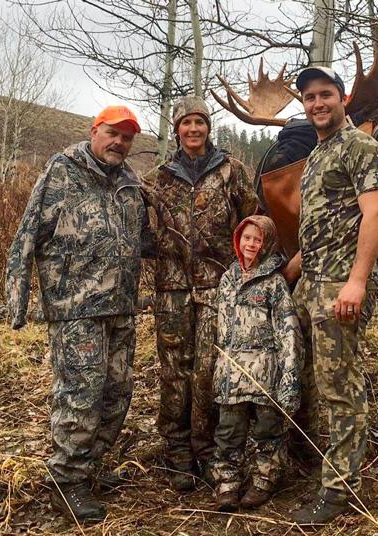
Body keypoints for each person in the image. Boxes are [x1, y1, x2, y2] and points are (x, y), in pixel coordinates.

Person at [5, 105, 151, 523]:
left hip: (121, 309)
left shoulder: (128, 181)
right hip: (76, 310)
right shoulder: (62, 170)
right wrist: (17, 301)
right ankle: (65, 483)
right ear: (94, 131)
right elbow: (27, 233)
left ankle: (88, 470)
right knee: (79, 396)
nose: (120, 143)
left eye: (127, 138)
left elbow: (144, 240)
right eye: (113, 134)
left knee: (117, 394)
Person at [287, 66, 378, 526]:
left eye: (325, 95)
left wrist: (356, 280)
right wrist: (290, 268)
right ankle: (309, 458)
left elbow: (376, 215)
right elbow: (322, 221)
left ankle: (340, 487)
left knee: (341, 387)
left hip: (341, 285)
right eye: (309, 98)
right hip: (312, 280)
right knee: (306, 374)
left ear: (343, 98)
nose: (317, 104)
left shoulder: (361, 147)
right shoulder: (318, 153)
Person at [142, 96, 259, 492]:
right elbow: (144, 232)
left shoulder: (232, 171)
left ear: (209, 127)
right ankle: (176, 452)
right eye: (186, 123)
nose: (193, 129)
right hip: (171, 290)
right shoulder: (158, 178)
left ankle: (207, 450)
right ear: (176, 128)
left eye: (200, 122)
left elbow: (254, 222)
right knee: (175, 370)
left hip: (216, 287)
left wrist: (247, 273)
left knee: (209, 371)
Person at [210, 215, 302, 512]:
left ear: (267, 244)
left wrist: (289, 377)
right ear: (238, 240)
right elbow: (221, 329)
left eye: (257, 239)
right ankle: (227, 483)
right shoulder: (228, 278)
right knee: (228, 431)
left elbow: (288, 332)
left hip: (266, 372)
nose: (251, 244)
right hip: (232, 372)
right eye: (246, 238)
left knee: (268, 429)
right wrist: (219, 369)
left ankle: (264, 479)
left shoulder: (275, 283)